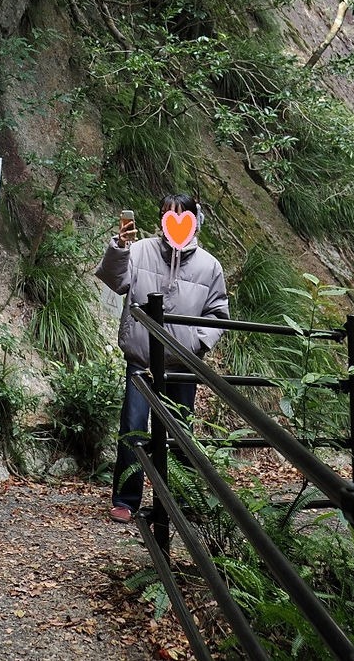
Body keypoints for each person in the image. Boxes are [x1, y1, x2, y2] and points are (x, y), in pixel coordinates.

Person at [95, 193, 228, 524]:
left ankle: (180, 502)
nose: (175, 221)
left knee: (180, 432)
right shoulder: (140, 250)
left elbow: (218, 313)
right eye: (168, 214)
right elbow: (115, 281)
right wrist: (120, 247)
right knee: (133, 428)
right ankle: (126, 499)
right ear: (161, 220)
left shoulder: (209, 266)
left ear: (195, 221)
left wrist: (195, 344)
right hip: (142, 360)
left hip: (182, 364)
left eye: (182, 215)